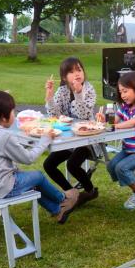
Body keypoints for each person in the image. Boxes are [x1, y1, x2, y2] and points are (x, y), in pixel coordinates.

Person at [0, 91, 79, 224]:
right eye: (12, 111)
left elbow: (13, 153)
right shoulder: (4, 136)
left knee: (31, 181)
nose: (14, 115)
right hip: (1, 188)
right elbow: (28, 159)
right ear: (3, 118)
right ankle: (63, 199)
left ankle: (57, 209)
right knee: (37, 176)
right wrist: (45, 139)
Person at [44, 56, 98, 205]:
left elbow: (83, 116)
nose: (77, 74)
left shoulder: (89, 89)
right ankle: (71, 193)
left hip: (89, 140)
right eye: (72, 71)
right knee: (48, 164)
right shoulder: (62, 91)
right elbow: (54, 116)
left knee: (72, 165)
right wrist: (49, 97)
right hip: (69, 139)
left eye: (79, 70)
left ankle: (90, 190)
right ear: (64, 77)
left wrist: (79, 93)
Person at [102, 71, 135, 210]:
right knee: (111, 165)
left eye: (125, 91)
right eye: (121, 92)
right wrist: (105, 119)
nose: (123, 95)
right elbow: (112, 121)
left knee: (121, 168)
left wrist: (114, 126)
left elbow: (133, 123)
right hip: (128, 149)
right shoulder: (124, 108)